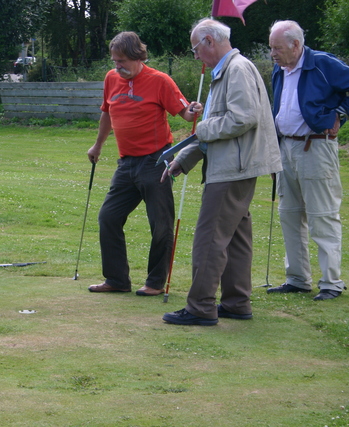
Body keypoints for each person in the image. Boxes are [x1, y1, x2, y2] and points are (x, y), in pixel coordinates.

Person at [161, 19, 282, 325]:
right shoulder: (229, 70)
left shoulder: (237, 69)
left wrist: (203, 126)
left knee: (210, 236)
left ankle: (200, 306)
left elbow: (242, 118)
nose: (196, 56)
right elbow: (215, 132)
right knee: (237, 238)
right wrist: (184, 159)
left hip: (231, 169)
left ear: (209, 42)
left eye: (195, 49)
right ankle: (236, 302)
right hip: (235, 166)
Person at [267, 20, 349, 301]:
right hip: (286, 148)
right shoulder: (279, 69)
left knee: (322, 216)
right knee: (289, 215)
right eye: (271, 48)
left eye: (277, 48)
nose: (272, 54)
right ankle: (297, 279)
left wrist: (340, 113)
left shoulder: (324, 64)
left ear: (296, 45)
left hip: (315, 146)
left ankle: (331, 283)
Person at [86, 31, 198, 297]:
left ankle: (156, 283)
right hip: (125, 164)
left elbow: (183, 113)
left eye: (122, 60)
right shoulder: (111, 78)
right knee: (108, 217)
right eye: (114, 61)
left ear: (138, 56)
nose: (117, 66)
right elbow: (106, 113)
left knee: (160, 224)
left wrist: (192, 110)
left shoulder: (160, 81)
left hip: (156, 161)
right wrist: (98, 145)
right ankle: (116, 279)